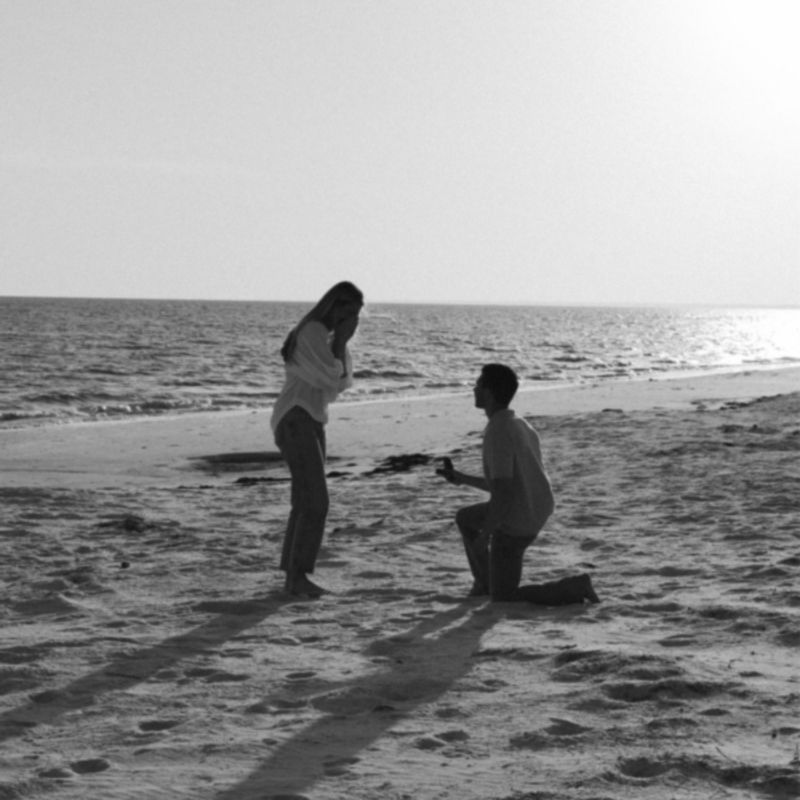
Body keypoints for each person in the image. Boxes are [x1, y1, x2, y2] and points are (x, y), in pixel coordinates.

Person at [438, 363, 599, 605]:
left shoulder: (498, 431)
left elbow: (504, 494)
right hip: (536, 506)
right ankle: (485, 583)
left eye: (479, 384)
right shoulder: (518, 423)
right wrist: (462, 478)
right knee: (466, 518)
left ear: (490, 393)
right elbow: (508, 484)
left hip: (519, 516)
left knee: (504, 598)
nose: (474, 389)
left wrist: (485, 536)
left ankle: (576, 586)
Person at [271, 281, 364, 597]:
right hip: (295, 416)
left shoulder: (327, 338)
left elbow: (341, 384)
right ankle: (297, 577)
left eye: (356, 315)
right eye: (348, 313)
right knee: (316, 502)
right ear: (334, 306)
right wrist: (340, 344)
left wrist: (340, 343)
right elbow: (330, 378)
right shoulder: (312, 331)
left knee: (304, 501)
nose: (351, 321)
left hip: (311, 418)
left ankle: (293, 577)